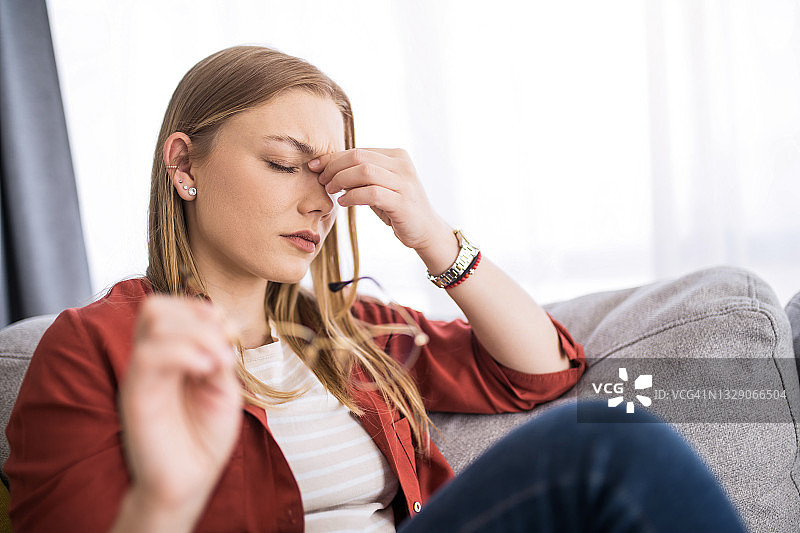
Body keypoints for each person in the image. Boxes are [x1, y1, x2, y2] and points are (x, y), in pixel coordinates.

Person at [4, 45, 748, 533]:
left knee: (613, 432)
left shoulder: (346, 329)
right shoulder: (90, 348)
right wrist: (167, 498)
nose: (318, 203)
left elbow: (541, 369)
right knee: (607, 450)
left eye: (328, 178)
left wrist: (430, 232)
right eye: (283, 163)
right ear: (184, 166)